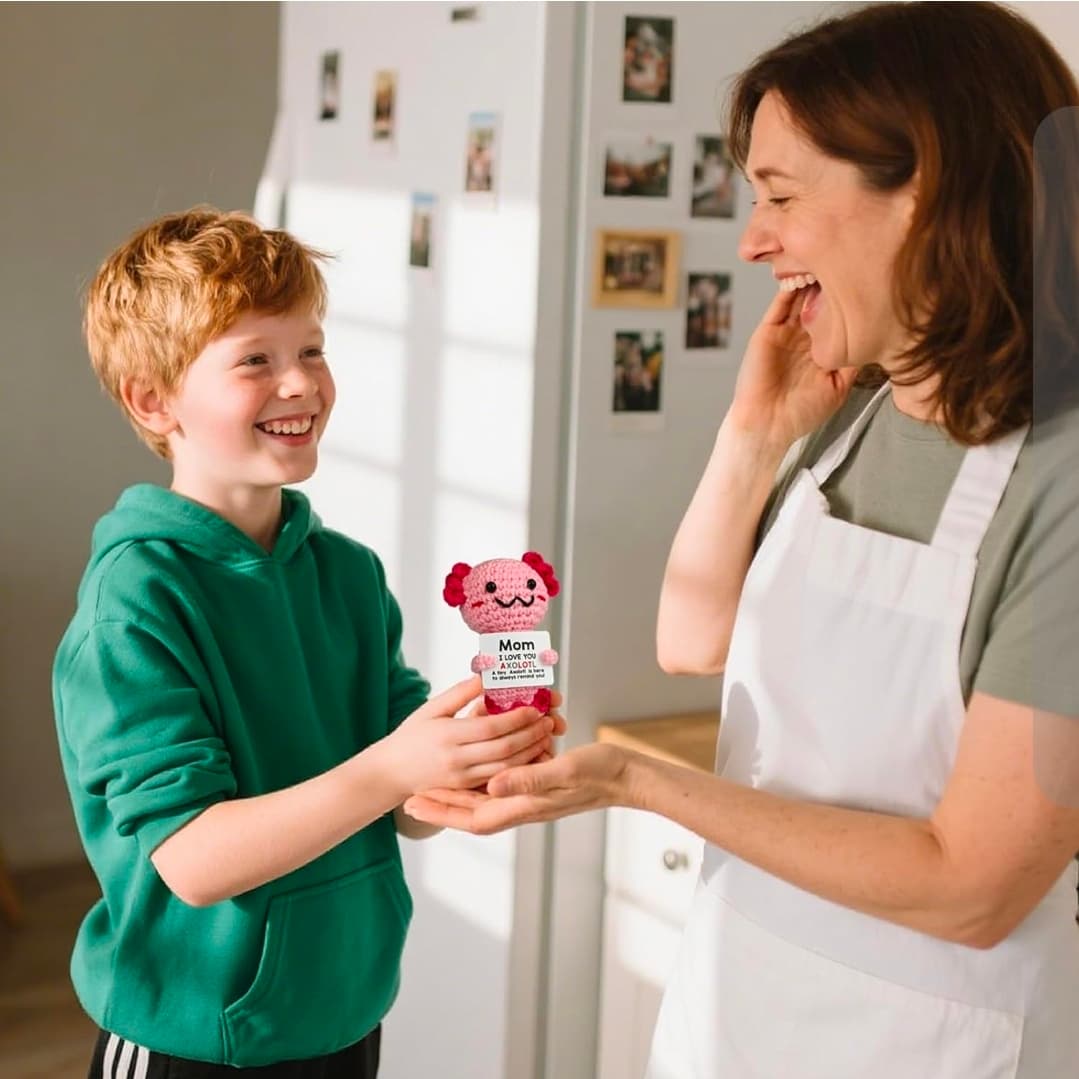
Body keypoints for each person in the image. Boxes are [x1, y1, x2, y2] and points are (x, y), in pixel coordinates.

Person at [403, 3, 1079, 1076]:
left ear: (926, 192)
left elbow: (972, 885)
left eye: (776, 196)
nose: (754, 240)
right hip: (742, 998)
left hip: (937, 1040)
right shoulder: (863, 407)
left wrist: (630, 783)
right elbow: (693, 634)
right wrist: (751, 434)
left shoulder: (1060, 476)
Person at [53, 207, 562, 1078]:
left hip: (340, 1014)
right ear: (153, 398)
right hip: (194, 1037)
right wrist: (396, 766)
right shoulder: (135, 601)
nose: (301, 384)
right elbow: (197, 860)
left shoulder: (347, 574)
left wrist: (475, 750)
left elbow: (404, 803)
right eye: (256, 359)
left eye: (312, 350)